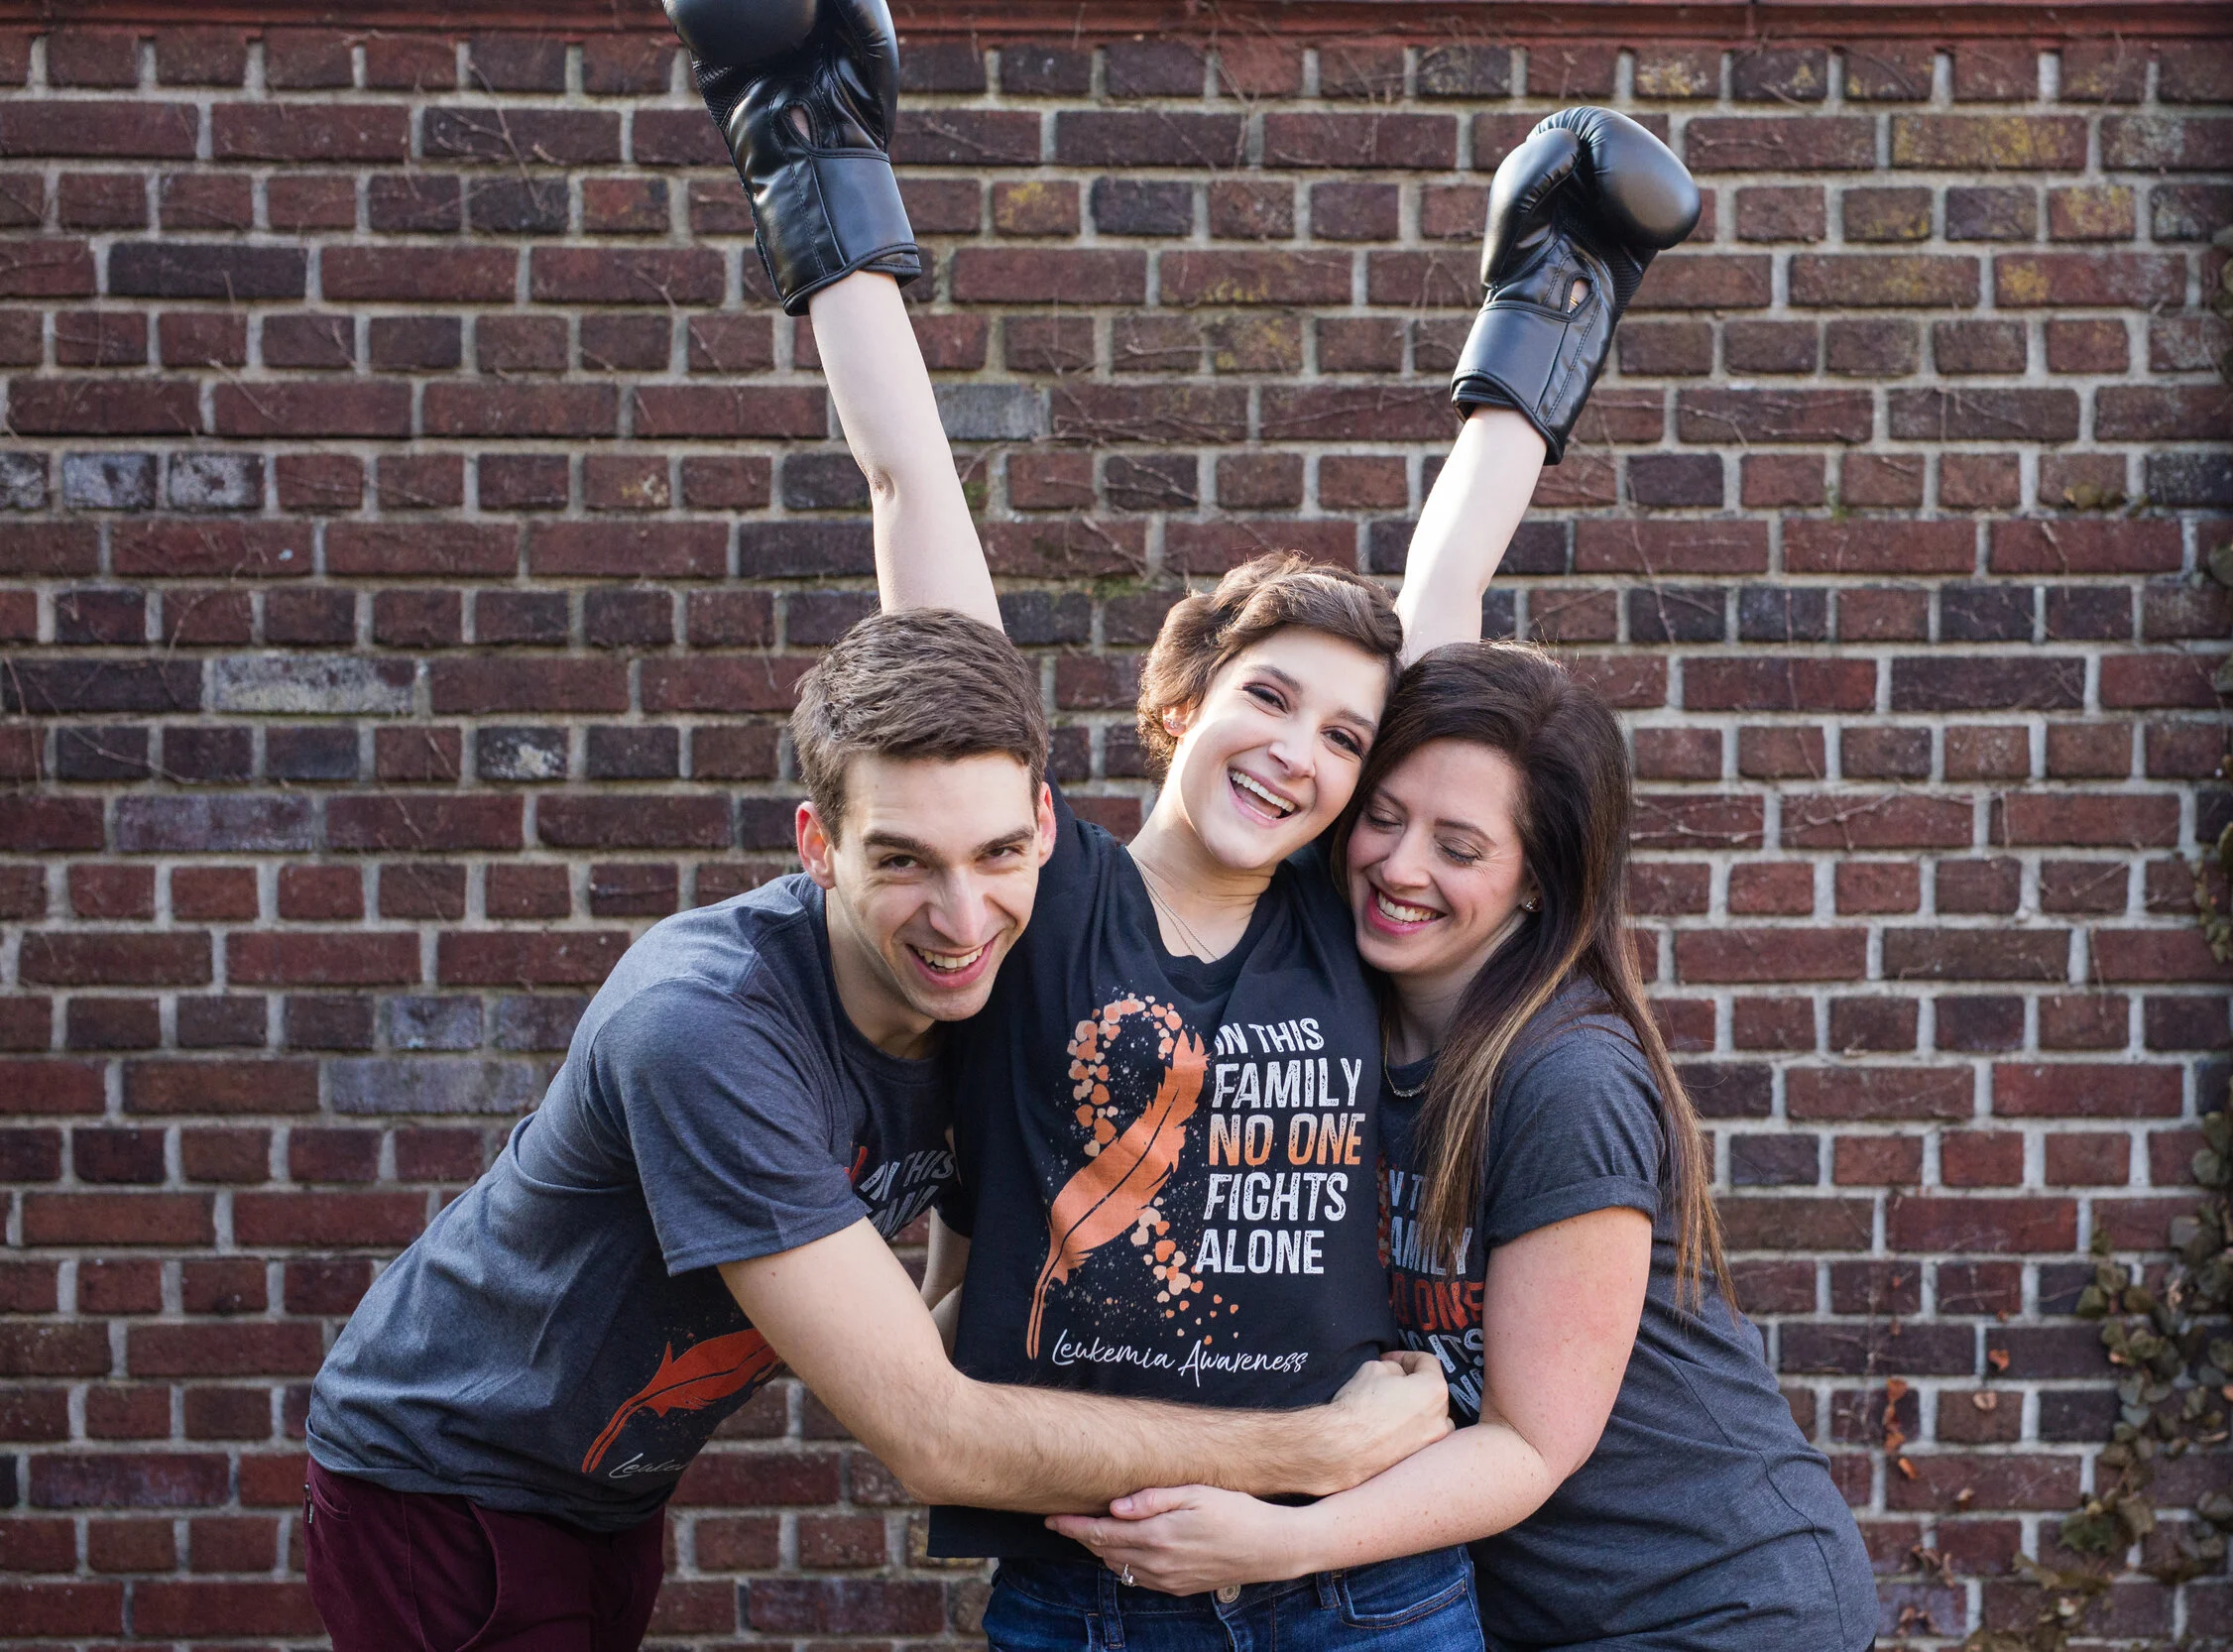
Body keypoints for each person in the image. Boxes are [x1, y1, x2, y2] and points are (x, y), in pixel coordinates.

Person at [296, 6, 1459, 1645]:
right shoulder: (715, 1020)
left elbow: (1417, 705)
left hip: (604, 1483)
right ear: (817, 844)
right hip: (451, 1480)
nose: (964, 910)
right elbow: (930, 1433)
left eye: (996, 855)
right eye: (903, 859)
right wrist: (1312, 1457)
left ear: (1040, 827)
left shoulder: (1022, 926)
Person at [728, 4, 1700, 1646]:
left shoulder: (1340, 914)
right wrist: (802, 146)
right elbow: (913, 498)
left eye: (1345, 736)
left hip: (1361, 1587)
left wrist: (1558, 283)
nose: (1301, 751)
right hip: (1095, 1594)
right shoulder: (1042, 890)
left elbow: (1447, 583)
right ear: (1180, 701)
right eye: (1268, 697)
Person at [1050, 645, 1880, 1652]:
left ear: (1537, 882)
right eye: (1384, 817)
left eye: (1459, 847)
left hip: (1717, 1607)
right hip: (1531, 1614)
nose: (1401, 867)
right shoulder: (1334, 1015)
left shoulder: (1566, 1078)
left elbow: (1530, 1442)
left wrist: (1281, 1542)